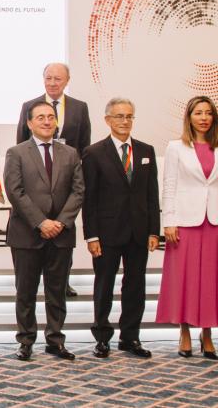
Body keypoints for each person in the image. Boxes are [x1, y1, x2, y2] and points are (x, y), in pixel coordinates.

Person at [156, 96, 218, 358]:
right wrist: (168, 221)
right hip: (185, 222)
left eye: (208, 113)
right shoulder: (175, 147)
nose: (203, 118)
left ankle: (208, 333)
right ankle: (184, 332)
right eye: (198, 113)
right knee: (185, 279)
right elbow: (169, 186)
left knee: (212, 279)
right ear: (189, 117)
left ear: (214, 117)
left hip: (214, 222)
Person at [4, 101, 85, 361]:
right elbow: (15, 191)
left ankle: (55, 340)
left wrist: (60, 222)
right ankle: (26, 341)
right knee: (25, 291)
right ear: (29, 123)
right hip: (27, 234)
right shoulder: (16, 152)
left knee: (57, 291)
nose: (47, 121)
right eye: (41, 117)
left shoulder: (70, 153)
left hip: (61, 234)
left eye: (51, 117)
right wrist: (41, 222)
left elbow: (78, 190)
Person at [81, 98, 159, 359]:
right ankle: (102, 338)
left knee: (135, 286)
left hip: (138, 232)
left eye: (129, 116)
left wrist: (153, 231)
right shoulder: (93, 153)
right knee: (104, 285)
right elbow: (89, 199)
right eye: (119, 116)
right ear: (107, 120)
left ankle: (130, 337)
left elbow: (152, 195)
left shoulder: (146, 151)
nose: (125, 121)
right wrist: (91, 235)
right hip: (106, 233)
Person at [16, 62, 90, 298]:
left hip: (65, 182)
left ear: (67, 80)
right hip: (35, 183)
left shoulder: (80, 108)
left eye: (58, 79)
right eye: (48, 78)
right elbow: (21, 144)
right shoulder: (29, 106)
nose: (53, 83)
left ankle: (63, 282)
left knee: (62, 241)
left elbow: (84, 147)